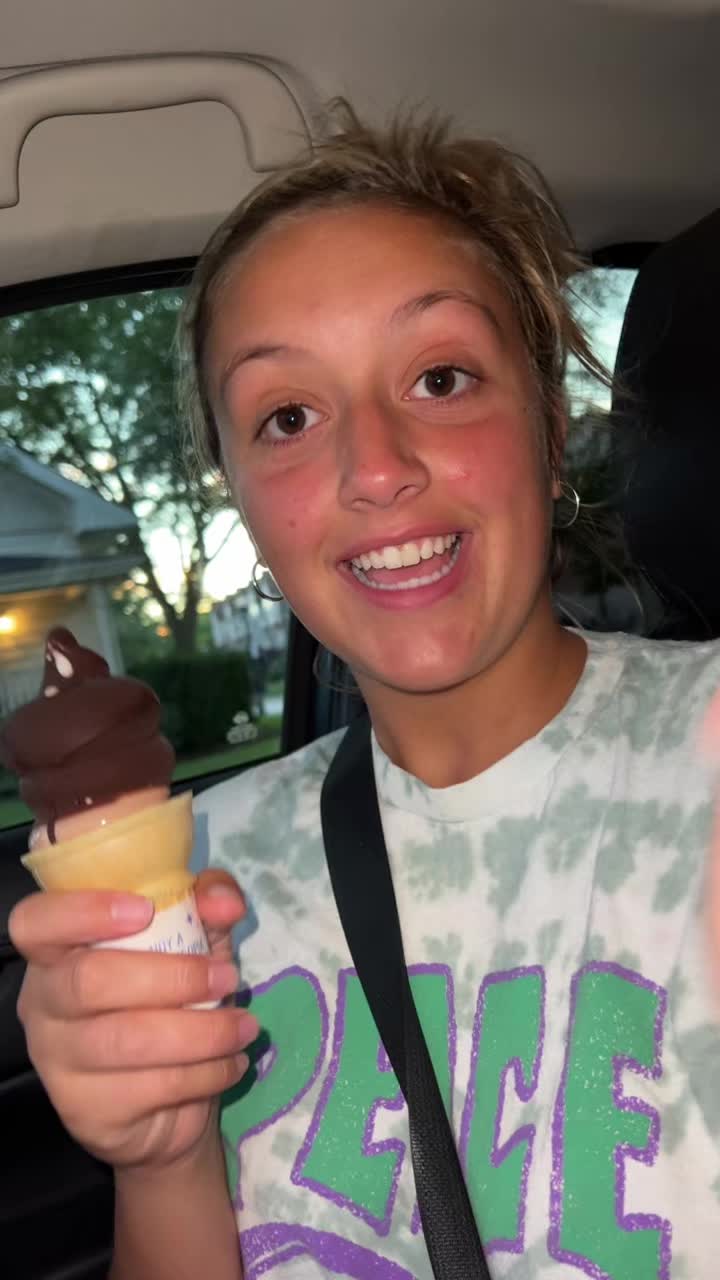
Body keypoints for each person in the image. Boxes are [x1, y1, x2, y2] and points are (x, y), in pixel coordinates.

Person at [9, 107, 720, 1280]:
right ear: (242, 498)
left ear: (551, 431)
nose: (376, 467)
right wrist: (164, 1153)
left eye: (441, 377)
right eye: (288, 416)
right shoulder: (195, 882)